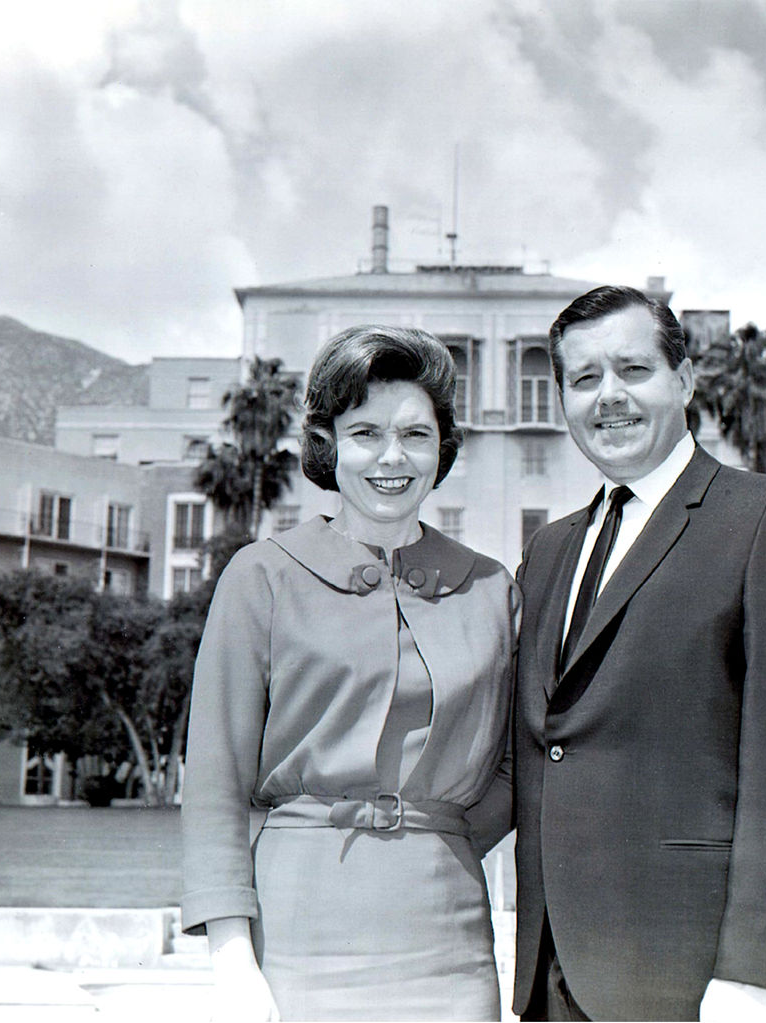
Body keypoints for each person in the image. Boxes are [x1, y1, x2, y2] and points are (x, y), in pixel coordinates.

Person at [512, 285, 766, 1022]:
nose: (608, 397)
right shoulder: (548, 553)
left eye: (632, 370)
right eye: (584, 380)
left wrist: (755, 974)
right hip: (554, 980)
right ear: (561, 401)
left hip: (700, 984)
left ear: (684, 379)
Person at [180, 325, 519, 1022]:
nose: (392, 458)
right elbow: (214, 782)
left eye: (415, 435)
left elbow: (514, 770)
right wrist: (232, 961)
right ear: (328, 444)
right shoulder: (261, 577)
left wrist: (433, 832)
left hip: (449, 939)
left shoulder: (492, 588)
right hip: (299, 930)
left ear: (443, 446)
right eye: (365, 432)